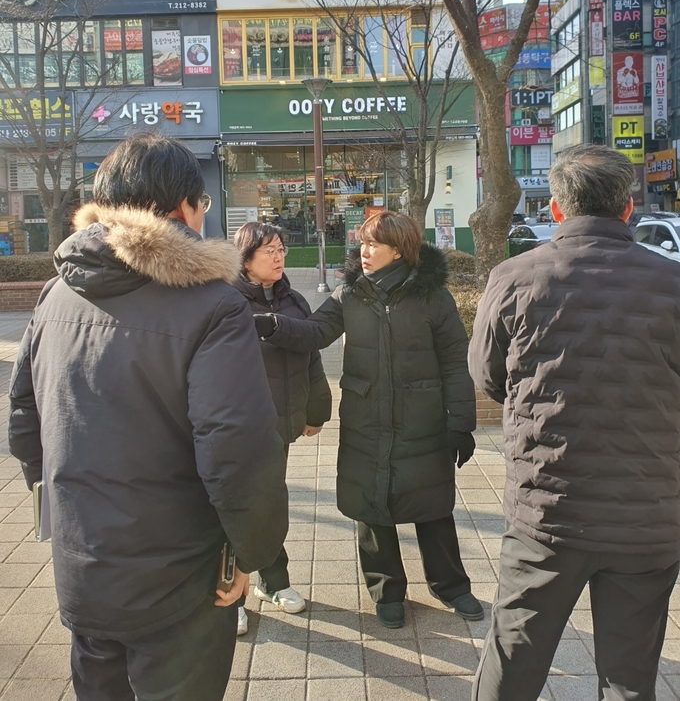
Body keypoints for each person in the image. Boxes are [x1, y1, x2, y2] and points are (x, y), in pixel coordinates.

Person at [8, 134, 288, 701]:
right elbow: (235, 449)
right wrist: (250, 551)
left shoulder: (57, 293)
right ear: (183, 207)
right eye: (202, 204)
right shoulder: (213, 304)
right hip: (179, 576)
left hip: (83, 561)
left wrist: (61, 512)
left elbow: (23, 420)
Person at [469, 144, 680, 701]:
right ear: (627, 207)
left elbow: (488, 376)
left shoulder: (514, 277)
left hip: (547, 510)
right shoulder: (672, 283)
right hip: (648, 514)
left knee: (513, 661)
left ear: (557, 208)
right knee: (631, 676)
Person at [255, 210, 482, 628]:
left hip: (422, 420)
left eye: (374, 243)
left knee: (432, 506)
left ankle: (451, 586)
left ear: (399, 249)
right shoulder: (350, 294)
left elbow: (455, 361)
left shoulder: (433, 296)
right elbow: (314, 332)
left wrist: (461, 423)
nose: (364, 251)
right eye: (362, 242)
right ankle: (386, 591)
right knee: (371, 506)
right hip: (366, 418)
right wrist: (273, 326)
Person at [232, 221, 332, 635]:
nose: (278, 257)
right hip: (238, 430)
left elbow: (311, 356)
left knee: (269, 504)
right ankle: (231, 598)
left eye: (281, 249)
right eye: (268, 250)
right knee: (238, 509)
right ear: (245, 258)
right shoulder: (228, 303)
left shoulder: (293, 300)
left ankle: (273, 582)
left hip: (281, 426)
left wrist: (316, 411)